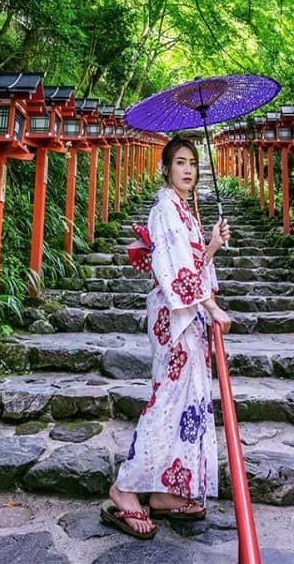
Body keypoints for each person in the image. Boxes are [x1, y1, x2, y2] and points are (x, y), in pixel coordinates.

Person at [101, 136, 232, 539]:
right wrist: (211, 308)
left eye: (192, 162)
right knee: (168, 399)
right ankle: (125, 489)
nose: (188, 169)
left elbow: (189, 262)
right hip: (176, 317)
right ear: (165, 168)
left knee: (186, 401)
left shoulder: (185, 212)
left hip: (188, 315)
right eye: (180, 162)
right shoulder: (165, 210)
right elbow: (173, 269)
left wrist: (209, 244)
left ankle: (163, 491)